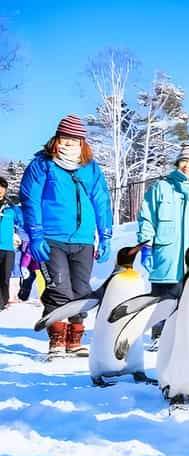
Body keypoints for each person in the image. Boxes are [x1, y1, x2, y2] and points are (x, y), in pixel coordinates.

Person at [19, 114, 113, 355]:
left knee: (82, 290)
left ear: (82, 141)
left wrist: (105, 235)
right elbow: (31, 200)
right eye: (65, 137)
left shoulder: (90, 167)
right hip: (51, 238)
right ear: (56, 138)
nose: (69, 142)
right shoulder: (42, 164)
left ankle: (75, 339)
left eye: (75, 138)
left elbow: (101, 200)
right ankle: (57, 340)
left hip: (83, 239)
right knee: (59, 288)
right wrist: (36, 235)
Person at [137, 140, 189, 347]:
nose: (187, 166)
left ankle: (186, 336)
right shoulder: (160, 188)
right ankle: (158, 336)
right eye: (184, 161)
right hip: (166, 254)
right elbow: (147, 218)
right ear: (177, 163)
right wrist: (146, 246)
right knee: (164, 298)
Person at [0, 178, 24, 311]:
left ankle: (3, 303)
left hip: (8, 248)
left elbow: (21, 222)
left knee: (5, 277)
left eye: (2, 188)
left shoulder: (11, 208)